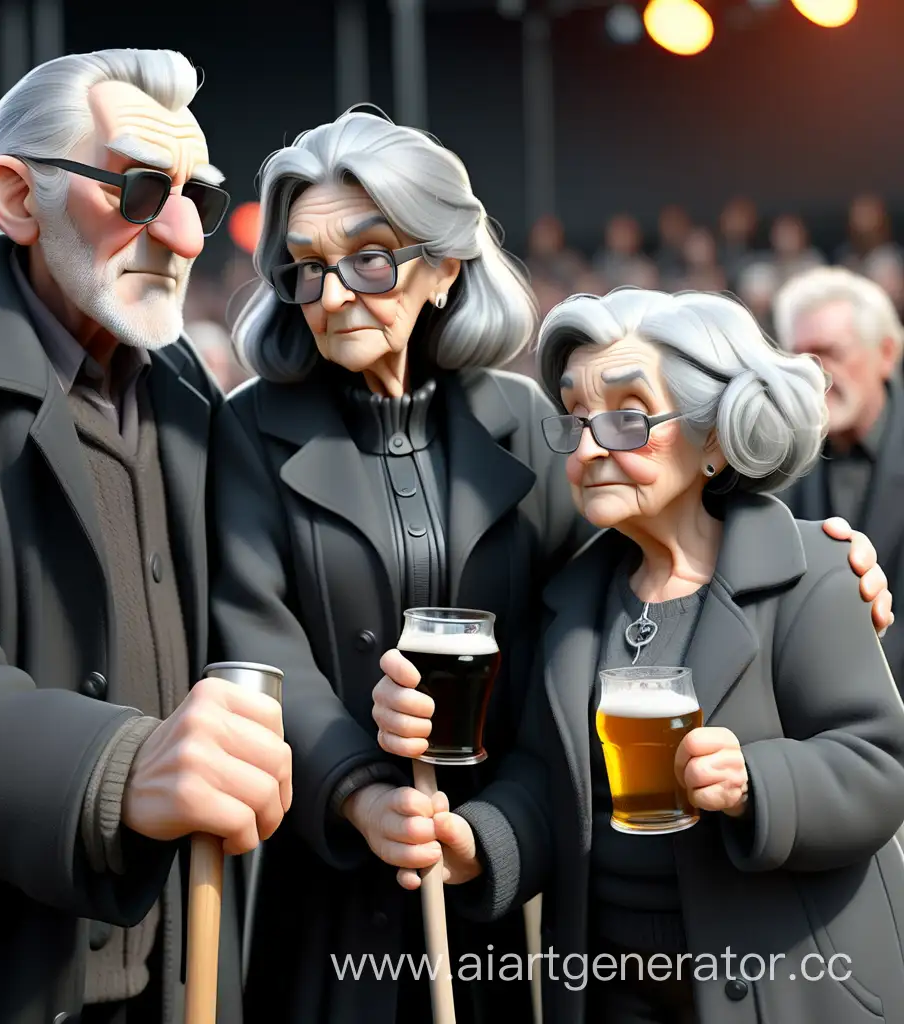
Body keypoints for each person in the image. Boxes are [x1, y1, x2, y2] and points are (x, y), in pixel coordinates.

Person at [212, 109, 889, 1024]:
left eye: (370, 259)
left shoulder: (526, 421)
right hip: (342, 870)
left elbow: (639, 547)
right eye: (304, 267)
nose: (332, 294)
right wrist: (359, 792)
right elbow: (260, 635)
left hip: (520, 905)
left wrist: (813, 554)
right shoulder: (249, 430)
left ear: (444, 267)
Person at [0, 49, 291, 1024]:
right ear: (17, 197)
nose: (188, 234)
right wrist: (114, 770)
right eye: (144, 189)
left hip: (177, 960)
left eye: (202, 194)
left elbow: (242, 604)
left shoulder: (183, 384)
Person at [372, 287, 904, 1024]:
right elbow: (543, 781)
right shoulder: (570, 600)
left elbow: (880, 768)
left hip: (791, 988)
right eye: (576, 419)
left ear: (715, 436)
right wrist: (476, 843)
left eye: (628, 417)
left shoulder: (810, 571)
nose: (590, 448)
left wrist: (757, 781)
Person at [773, 266, 904, 692]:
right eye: (801, 356)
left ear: (886, 354)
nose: (817, 373)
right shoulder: (770, 463)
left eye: (831, 352)